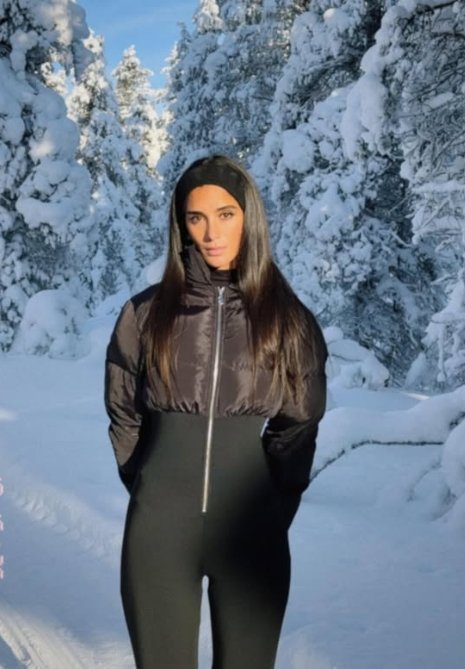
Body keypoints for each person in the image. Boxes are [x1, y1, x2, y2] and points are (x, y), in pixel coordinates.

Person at [104, 154, 327, 669]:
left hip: (253, 535)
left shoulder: (288, 321)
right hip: (159, 534)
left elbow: (299, 424)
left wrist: (268, 506)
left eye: (225, 214)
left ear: (249, 218)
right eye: (196, 217)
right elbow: (124, 413)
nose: (211, 233)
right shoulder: (145, 314)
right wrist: (152, 486)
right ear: (180, 224)